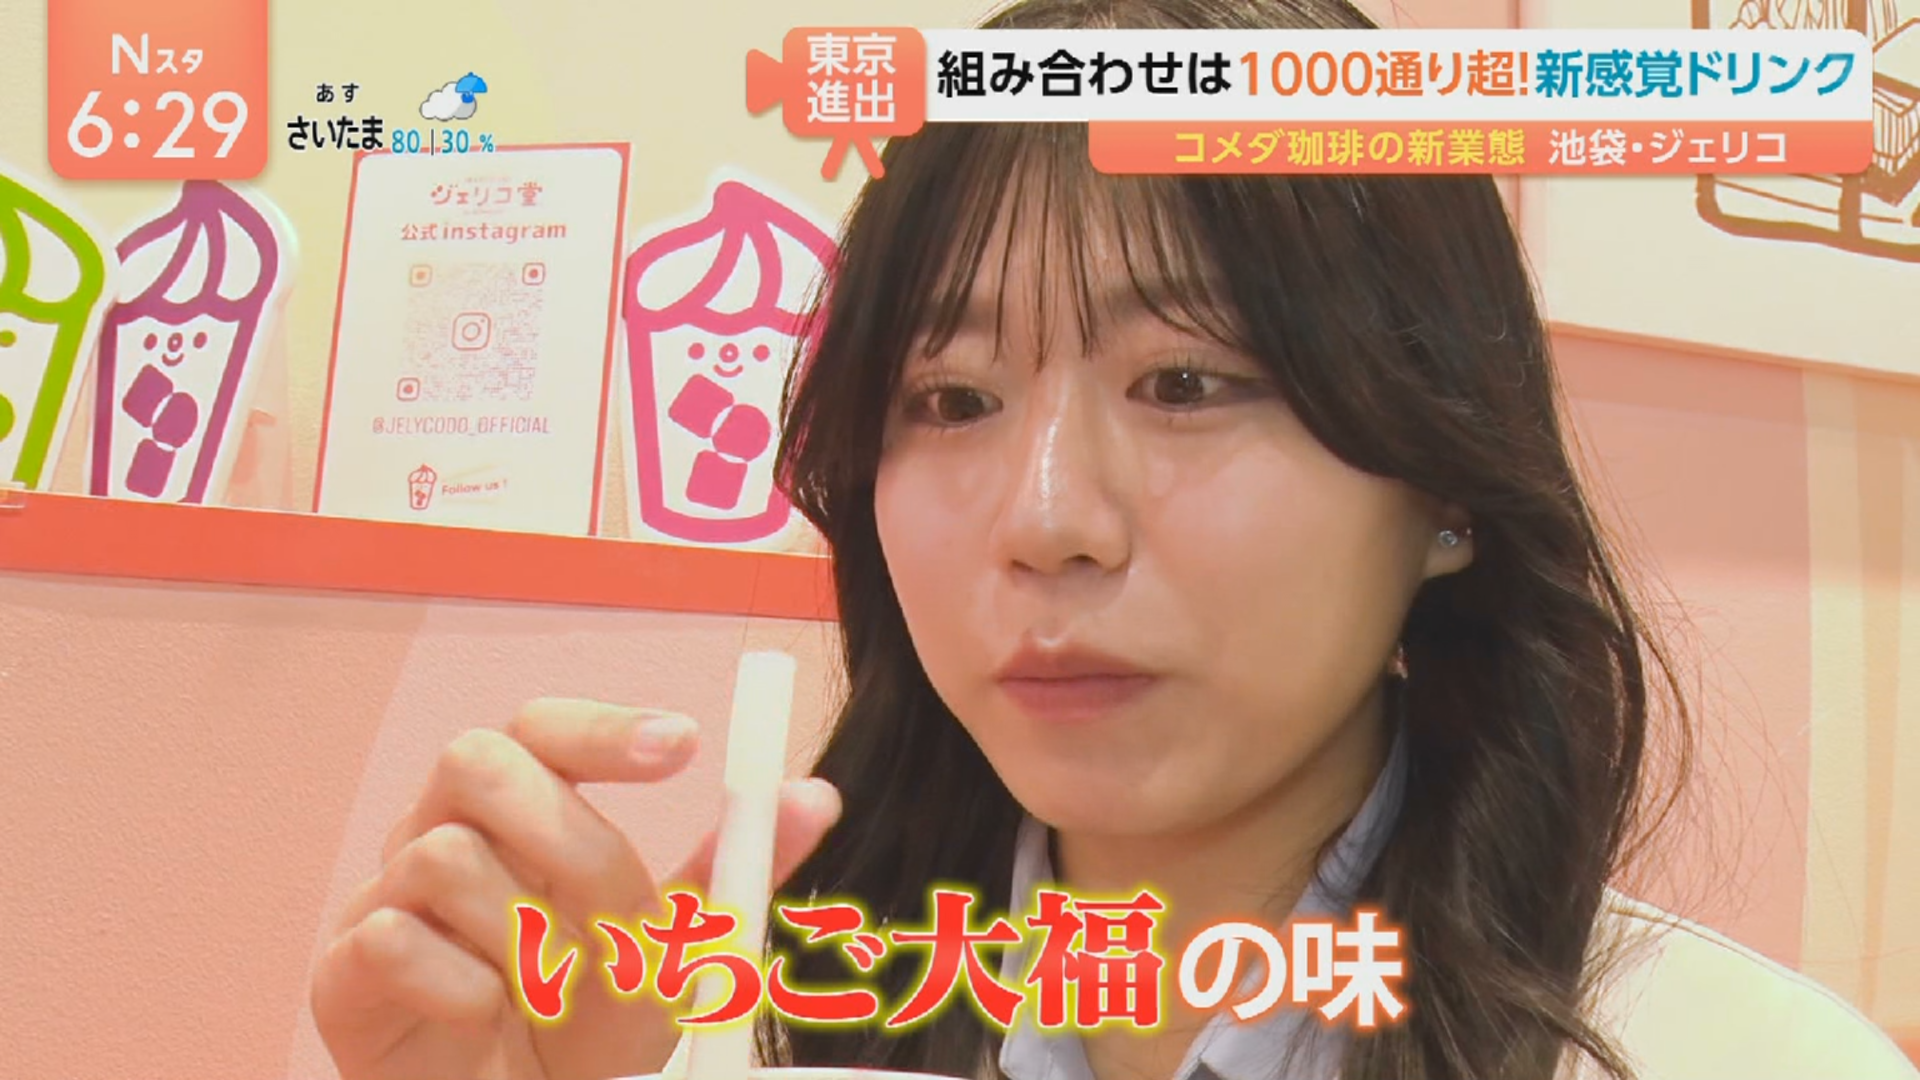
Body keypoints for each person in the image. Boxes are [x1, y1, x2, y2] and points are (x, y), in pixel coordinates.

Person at [308, 0, 1920, 1078]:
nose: (1048, 520)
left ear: (1443, 486)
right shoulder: (729, 1039)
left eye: (1187, 381)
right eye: (949, 399)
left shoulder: (1738, 1061)